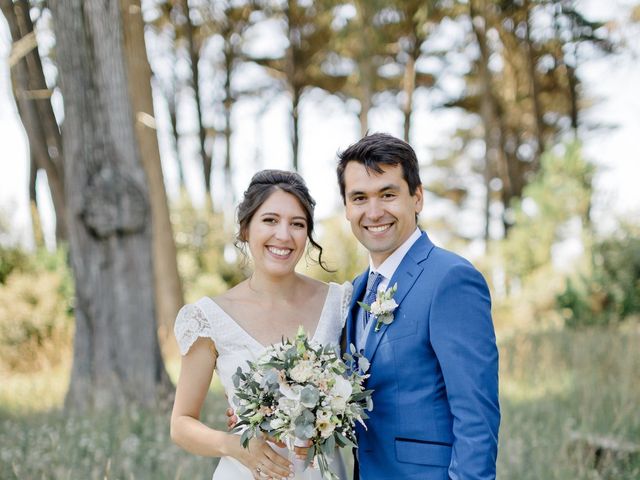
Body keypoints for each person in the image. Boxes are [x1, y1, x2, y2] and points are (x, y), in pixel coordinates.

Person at [338, 133, 500, 480]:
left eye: (388, 194)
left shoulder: (451, 279)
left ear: (418, 197)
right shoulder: (354, 291)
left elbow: (476, 415)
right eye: (360, 198)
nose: (374, 211)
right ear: (347, 209)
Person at [171, 170, 352, 480]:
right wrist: (237, 447)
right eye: (270, 220)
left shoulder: (340, 305)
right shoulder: (210, 318)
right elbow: (182, 424)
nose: (284, 235)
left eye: (297, 224)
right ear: (245, 230)